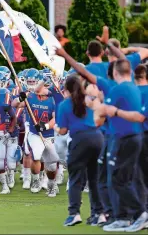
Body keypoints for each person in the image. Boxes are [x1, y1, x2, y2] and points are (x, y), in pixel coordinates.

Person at [97, 59, 147, 232]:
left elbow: (105, 112)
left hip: (126, 138)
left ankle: (139, 213)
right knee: (126, 178)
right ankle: (126, 217)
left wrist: (99, 106)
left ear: (115, 73)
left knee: (118, 179)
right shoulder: (133, 86)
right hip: (134, 137)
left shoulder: (120, 88)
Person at [56, 75, 104, 227]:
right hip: (97, 137)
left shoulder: (65, 104)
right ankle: (99, 213)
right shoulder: (89, 99)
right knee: (94, 178)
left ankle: (74, 213)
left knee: (76, 178)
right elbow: (100, 115)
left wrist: (56, 128)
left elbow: (63, 131)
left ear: (67, 90)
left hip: (80, 139)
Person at [13, 70, 59, 197]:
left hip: (49, 134)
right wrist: (19, 98)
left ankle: (51, 184)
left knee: (51, 166)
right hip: (34, 133)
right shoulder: (31, 96)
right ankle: (35, 180)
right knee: (36, 156)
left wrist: (45, 126)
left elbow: (55, 119)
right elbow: (15, 104)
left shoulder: (53, 98)